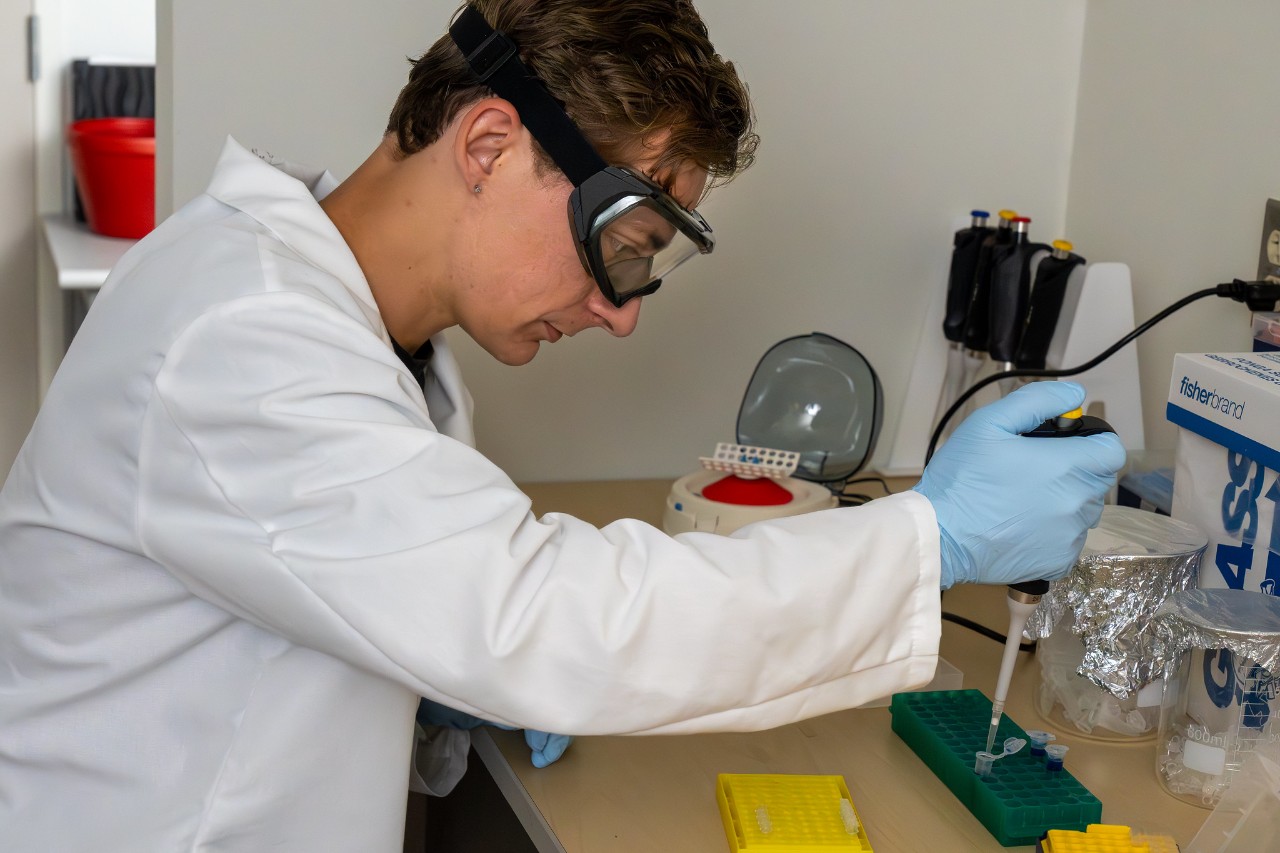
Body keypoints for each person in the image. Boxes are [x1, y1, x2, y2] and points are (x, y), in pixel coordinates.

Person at [0, 1, 1126, 850]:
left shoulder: (359, 329)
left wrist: (434, 681)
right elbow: (544, 615)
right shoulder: (238, 339)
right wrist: (930, 539)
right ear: (488, 145)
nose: (617, 312)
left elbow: (402, 574)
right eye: (625, 246)